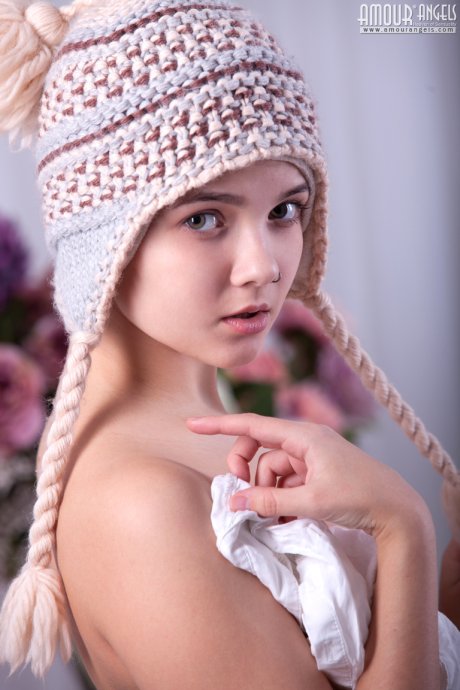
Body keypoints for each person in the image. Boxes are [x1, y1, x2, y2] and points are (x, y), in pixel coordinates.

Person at [0, 1, 458, 689]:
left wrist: (441, 596)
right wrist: (404, 530)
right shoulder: (138, 503)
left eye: (284, 210)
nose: (264, 265)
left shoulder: (214, 439)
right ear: (102, 242)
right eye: (205, 217)